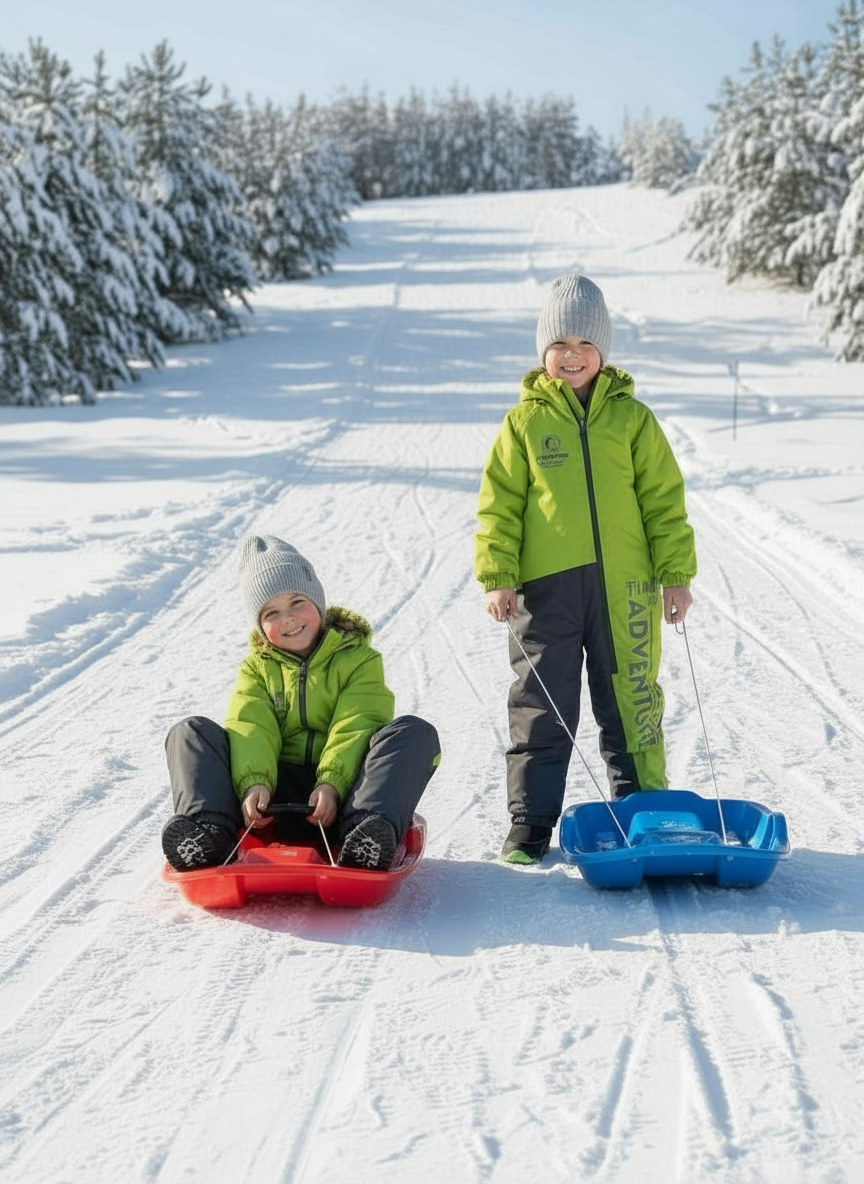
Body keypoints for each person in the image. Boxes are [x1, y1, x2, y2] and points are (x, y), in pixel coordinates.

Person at [475, 274, 696, 864]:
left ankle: (641, 808)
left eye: (585, 345)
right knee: (542, 701)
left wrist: (675, 575)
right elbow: (500, 505)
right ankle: (530, 823)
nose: (572, 356)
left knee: (630, 695)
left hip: (627, 585)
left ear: (603, 351)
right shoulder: (523, 424)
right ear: (543, 352)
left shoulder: (633, 420)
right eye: (560, 344)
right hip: (547, 593)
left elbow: (663, 502)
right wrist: (497, 574)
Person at [161, 534, 440, 873]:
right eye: (272, 613)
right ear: (261, 627)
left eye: (297, 603)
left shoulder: (359, 660)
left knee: (414, 733)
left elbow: (358, 722)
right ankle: (207, 835)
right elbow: (251, 726)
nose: (289, 619)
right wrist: (255, 784)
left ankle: (366, 836)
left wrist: (332, 784)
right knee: (190, 732)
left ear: (318, 603)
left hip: (345, 796)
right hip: (270, 800)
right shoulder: (256, 668)